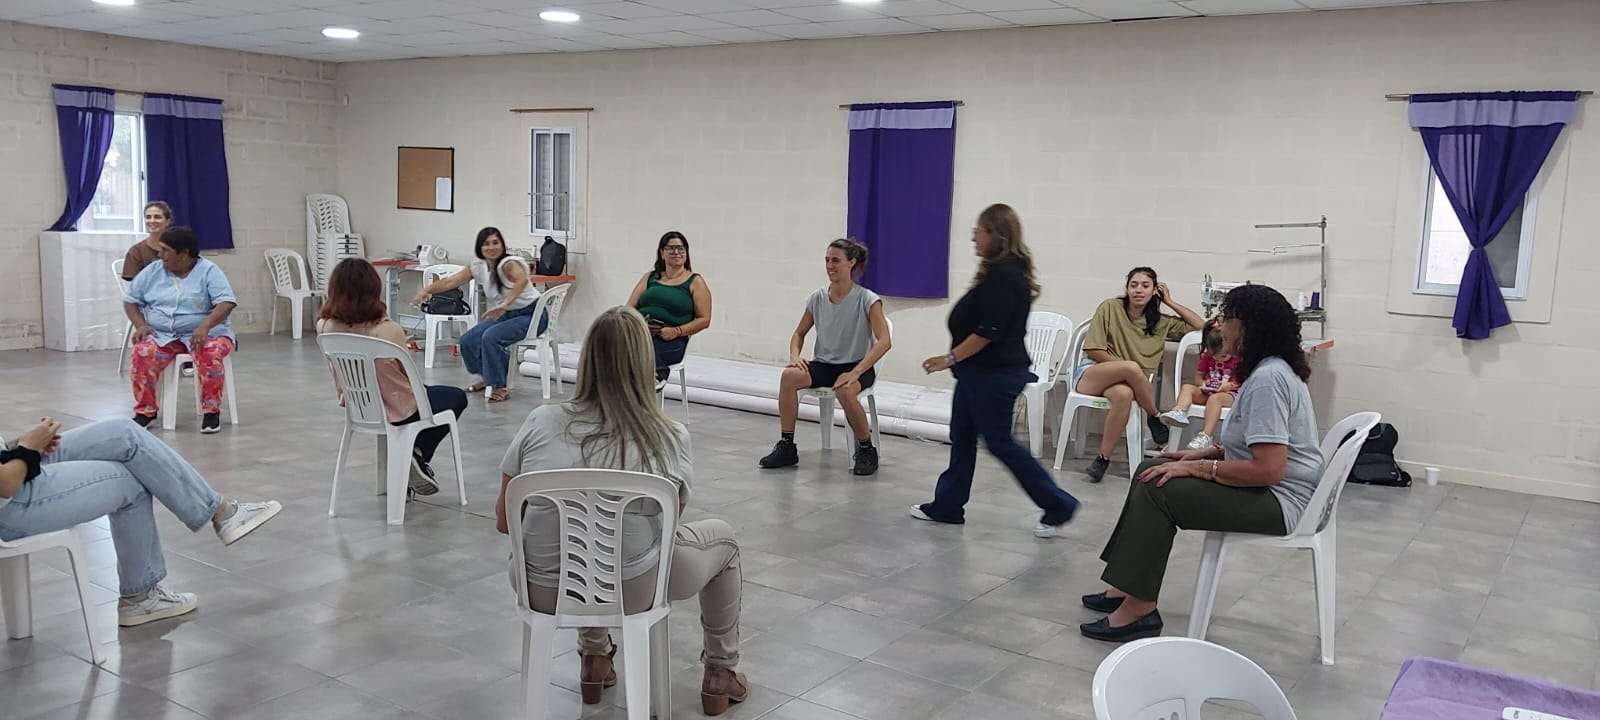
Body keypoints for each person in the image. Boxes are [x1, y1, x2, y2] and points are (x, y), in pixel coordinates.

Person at [495, 306, 748, 716]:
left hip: (540, 587)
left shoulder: (540, 422)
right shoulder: (669, 436)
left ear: (588, 359)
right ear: (645, 363)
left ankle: (594, 658)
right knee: (723, 543)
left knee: (582, 542)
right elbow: (669, 526)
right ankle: (721, 671)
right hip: (636, 588)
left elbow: (504, 522)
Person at [1079, 284, 1323, 642]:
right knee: (1149, 470)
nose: (1219, 325)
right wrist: (1205, 453)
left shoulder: (1268, 380)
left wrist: (1197, 469)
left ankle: (1139, 610)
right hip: (1273, 490)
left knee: (1157, 488)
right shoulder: (1268, 370)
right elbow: (1253, 447)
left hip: (1281, 502)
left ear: (1248, 327)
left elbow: (1270, 469)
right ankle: (1127, 586)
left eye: (1227, 318)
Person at [0, 417, 281, 627]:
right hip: (12, 501)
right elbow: (6, 485)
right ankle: (140, 597)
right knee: (133, 483)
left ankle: (221, 511)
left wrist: (17, 445)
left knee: (124, 433)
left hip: (10, 464)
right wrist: (28, 449)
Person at [910, 204, 1079, 537]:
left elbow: (988, 332)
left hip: (995, 376)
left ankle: (1058, 504)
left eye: (980, 231)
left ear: (997, 235)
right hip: (976, 374)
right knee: (962, 437)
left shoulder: (1005, 276)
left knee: (1000, 442)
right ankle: (948, 505)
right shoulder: (998, 272)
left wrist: (949, 358)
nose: (974, 237)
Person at [318, 258, 469, 497]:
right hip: (400, 408)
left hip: (360, 407)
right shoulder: (387, 330)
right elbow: (406, 375)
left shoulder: (324, 327)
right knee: (456, 397)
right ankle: (416, 454)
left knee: (429, 394)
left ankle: (411, 460)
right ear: (373, 289)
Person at [757, 239, 892, 476]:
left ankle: (866, 448)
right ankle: (787, 445)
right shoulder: (817, 298)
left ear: (851, 263)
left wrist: (855, 372)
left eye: (836, 260)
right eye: (827, 260)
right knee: (788, 376)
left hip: (856, 366)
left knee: (845, 390)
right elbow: (799, 333)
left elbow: (884, 341)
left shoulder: (868, 299)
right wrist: (794, 355)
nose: (830, 265)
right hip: (824, 365)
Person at [1074, 266, 1204, 482]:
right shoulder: (1110, 307)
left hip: (1125, 384)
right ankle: (1154, 416)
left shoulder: (1161, 322)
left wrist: (1170, 302)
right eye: (1133, 285)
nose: (1138, 290)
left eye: (1145, 286)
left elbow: (1202, 327)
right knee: (1132, 368)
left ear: (1154, 290)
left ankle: (1102, 459)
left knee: (1124, 395)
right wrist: (1125, 369)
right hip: (1092, 374)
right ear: (1127, 288)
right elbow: (1093, 350)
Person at [123, 226, 237, 434]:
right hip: (163, 335)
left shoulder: (209, 271)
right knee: (142, 351)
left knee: (210, 352)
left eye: (166, 250)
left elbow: (226, 302)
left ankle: (211, 412)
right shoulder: (154, 270)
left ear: (184, 254)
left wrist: (205, 326)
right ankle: (146, 411)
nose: (160, 255)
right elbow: (130, 300)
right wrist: (141, 325)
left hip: (207, 333)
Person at [411, 227, 545, 402]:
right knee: (468, 340)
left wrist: (505, 304)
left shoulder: (509, 263)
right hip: (506, 314)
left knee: (491, 337)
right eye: (486, 244)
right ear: (479, 247)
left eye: (495, 243)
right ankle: (487, 379)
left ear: (502, 245)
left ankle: (499, 386)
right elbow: (451, 281)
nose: (491, 247)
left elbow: (521, 281)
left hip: (532, 314)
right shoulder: (478, 266)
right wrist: (426, 290)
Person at [626, 231, 712, 386]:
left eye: (681, 248)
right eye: (671, 248)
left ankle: (655, 377)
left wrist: (676, 331)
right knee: (613, 341)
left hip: (671, 339)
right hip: (642, 331)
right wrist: (638, 326)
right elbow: (629, 308)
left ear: (686, 253)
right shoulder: (650, 277)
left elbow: (704, 320)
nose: (676, 252)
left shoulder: (695, 281)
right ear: (662, 253)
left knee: (638, 350)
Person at [1158, 318, 1238, 450]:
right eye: (1215, 356)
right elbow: (1198, 377)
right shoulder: (1207, 357)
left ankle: (1206, 435)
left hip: (1229, 395)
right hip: (1209, 392)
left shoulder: (1236, 359)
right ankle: (1179, 411)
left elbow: (1242, 382)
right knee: (1187, 387)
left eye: (1224, 356)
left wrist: (1228, 385)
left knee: (1215, 399)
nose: (1219, 359)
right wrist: (1203, 384)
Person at [120, 201, 172, 282]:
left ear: (167, 222)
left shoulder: (178, 248)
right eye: (148, 217)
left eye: (157, 217)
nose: (152, 221)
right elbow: (134, 285)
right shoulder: (136, 251)